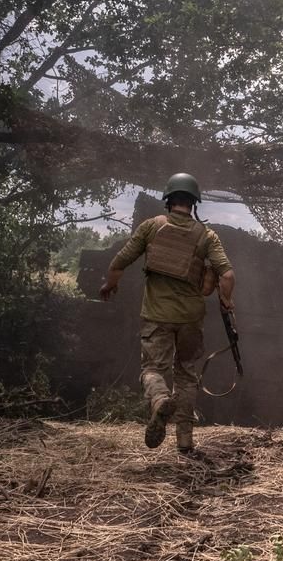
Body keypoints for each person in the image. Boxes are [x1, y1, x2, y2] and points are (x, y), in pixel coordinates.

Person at [100, 173, 235, 453]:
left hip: (156, 316)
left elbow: (119, 262)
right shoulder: (206, 235)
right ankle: (185, 441)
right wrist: (226, 300)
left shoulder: (151, 227)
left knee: (152, 369)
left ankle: (160, 399)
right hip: (190, 320)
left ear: (168, 200)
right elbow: (228, 274)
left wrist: (110, 285)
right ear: (194, 203)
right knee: (186, 375)